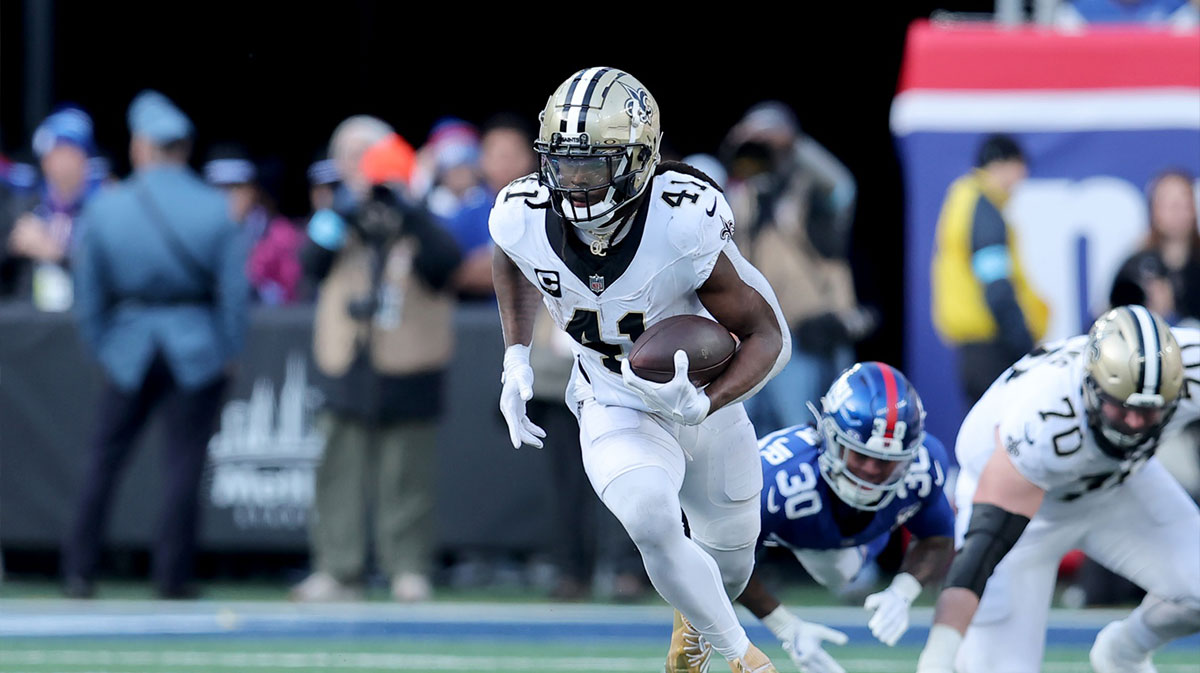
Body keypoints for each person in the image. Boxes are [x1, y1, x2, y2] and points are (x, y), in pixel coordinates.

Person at [490, 67, 789, 673]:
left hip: (702, 399)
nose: (572, 184)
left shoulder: (682, 221)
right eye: (563, 164)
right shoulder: (521, 212)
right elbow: (510, 254)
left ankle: (698, 623)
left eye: (591, 166)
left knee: (730, 560)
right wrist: (514, 355)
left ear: (636, 160)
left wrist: (707, 402)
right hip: (612, 395)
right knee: (650, 515)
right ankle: (744, 657)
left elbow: (768, 337)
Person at [916, 305, 1200, 673]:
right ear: (1092, 386)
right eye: (1122, 408)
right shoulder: (1044, 418)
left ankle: (1123, 651)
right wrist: (939, 652)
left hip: (1118, 485)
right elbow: (983, 547)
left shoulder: (1189, 366)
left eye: (1150, 411)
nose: (1134, 424)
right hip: (1029, 516)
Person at [63, 90, 249, 599]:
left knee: (103, 459)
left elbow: (89, 293)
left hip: (127, 345)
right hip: (195, 345)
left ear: (142, 146)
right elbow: (233, 293)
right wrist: (230, 348)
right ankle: (172, 576)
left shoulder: (108, 207)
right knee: (184, 464)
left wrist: (101, 348)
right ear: (182, 149)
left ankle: (79, 570)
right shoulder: (215, 207)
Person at [290, 117, 460, 603]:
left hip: (409, 358)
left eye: (365, 156)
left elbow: (445, 263)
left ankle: (407, 567)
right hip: (349, 357)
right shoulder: (335, 210)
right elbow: (310, 262)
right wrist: (346, 210)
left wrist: (408, 209)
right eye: (348, 157)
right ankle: (336, 568)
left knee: (406, 471)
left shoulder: (423, 206)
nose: (357, 167)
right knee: (338, 469)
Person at [725, 362, 955, 673]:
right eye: (861, 455)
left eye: (886, 462)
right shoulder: (776, 478)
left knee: (841, 570)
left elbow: (938, 536)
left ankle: (861, 544)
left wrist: (904, 591)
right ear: (829, 436)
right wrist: (786, 628)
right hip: (799, 522)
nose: (871, 473)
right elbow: (721, 563)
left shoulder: (924, 467)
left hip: (854, 541)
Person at [722, 101, 874, 431]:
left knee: (816, 429)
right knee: (754, 436)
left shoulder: (814, 196)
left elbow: (843, 185)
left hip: (813, 335)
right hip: (759, 334)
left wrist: (791, 141)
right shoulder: (741, 196)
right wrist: (738, 144)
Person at [931, 134, 1049, 405]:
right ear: (1003, 164)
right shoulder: (983, 209)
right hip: (992, 347)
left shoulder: (964, 201)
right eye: (1020, 167)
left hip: (977, 347)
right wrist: (1022, 341)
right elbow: (996, 285)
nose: (1023, 177)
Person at [0, 106, 101, 310]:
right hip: (28, 321)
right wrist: (11, 243)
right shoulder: (23, 204)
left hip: (81, 317)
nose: (58, 161)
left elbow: (111, 272)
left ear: (84, 157)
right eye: (52, 153)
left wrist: (58, 254)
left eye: (67, 151)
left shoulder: (101, 207)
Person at [202, 145, 304, 305]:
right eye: (219, 188)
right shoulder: (195, 237)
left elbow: (293, 293)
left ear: (253, 189)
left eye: (236, 187)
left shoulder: (282, 235)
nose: (227, 197)